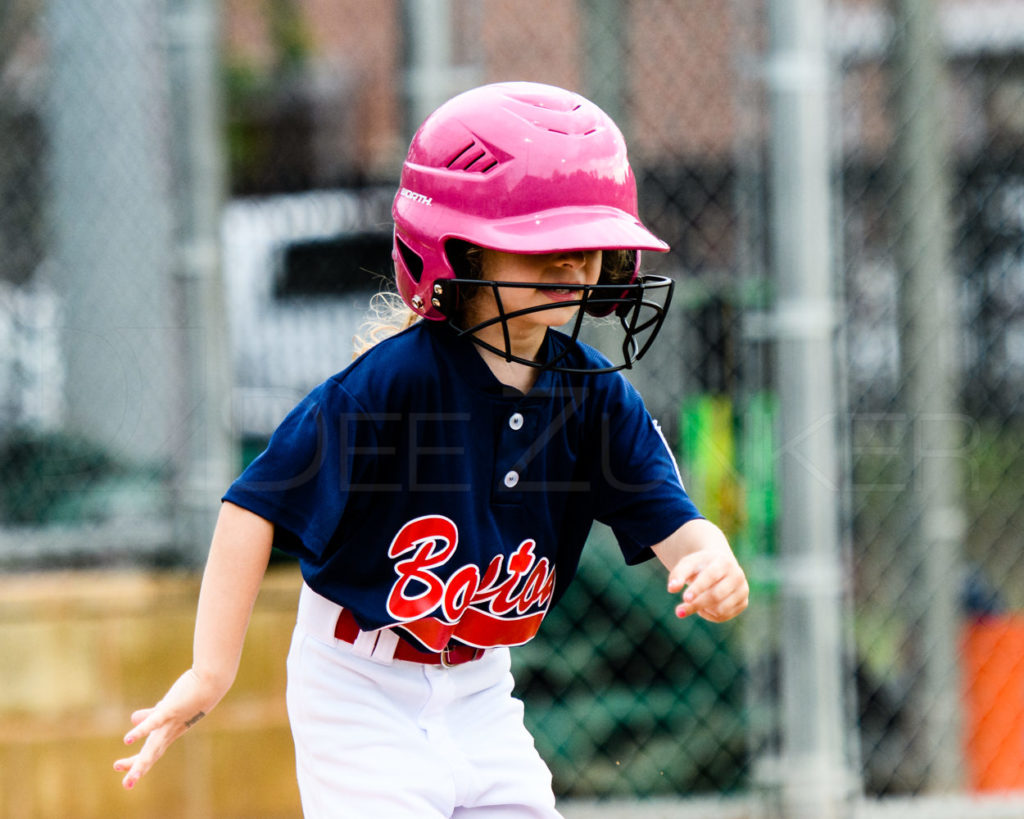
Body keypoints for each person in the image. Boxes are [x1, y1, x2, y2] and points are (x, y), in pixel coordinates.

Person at [113, 81, 749, 817]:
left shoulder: (597, 398)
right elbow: (250, 508)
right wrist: (209, 671)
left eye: (587, 249)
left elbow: (670, 519)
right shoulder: (389, 386)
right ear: (462, 251)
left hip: (481, 689)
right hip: (358, 687)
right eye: (544, 248)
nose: (574, 268)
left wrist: (710, 558)